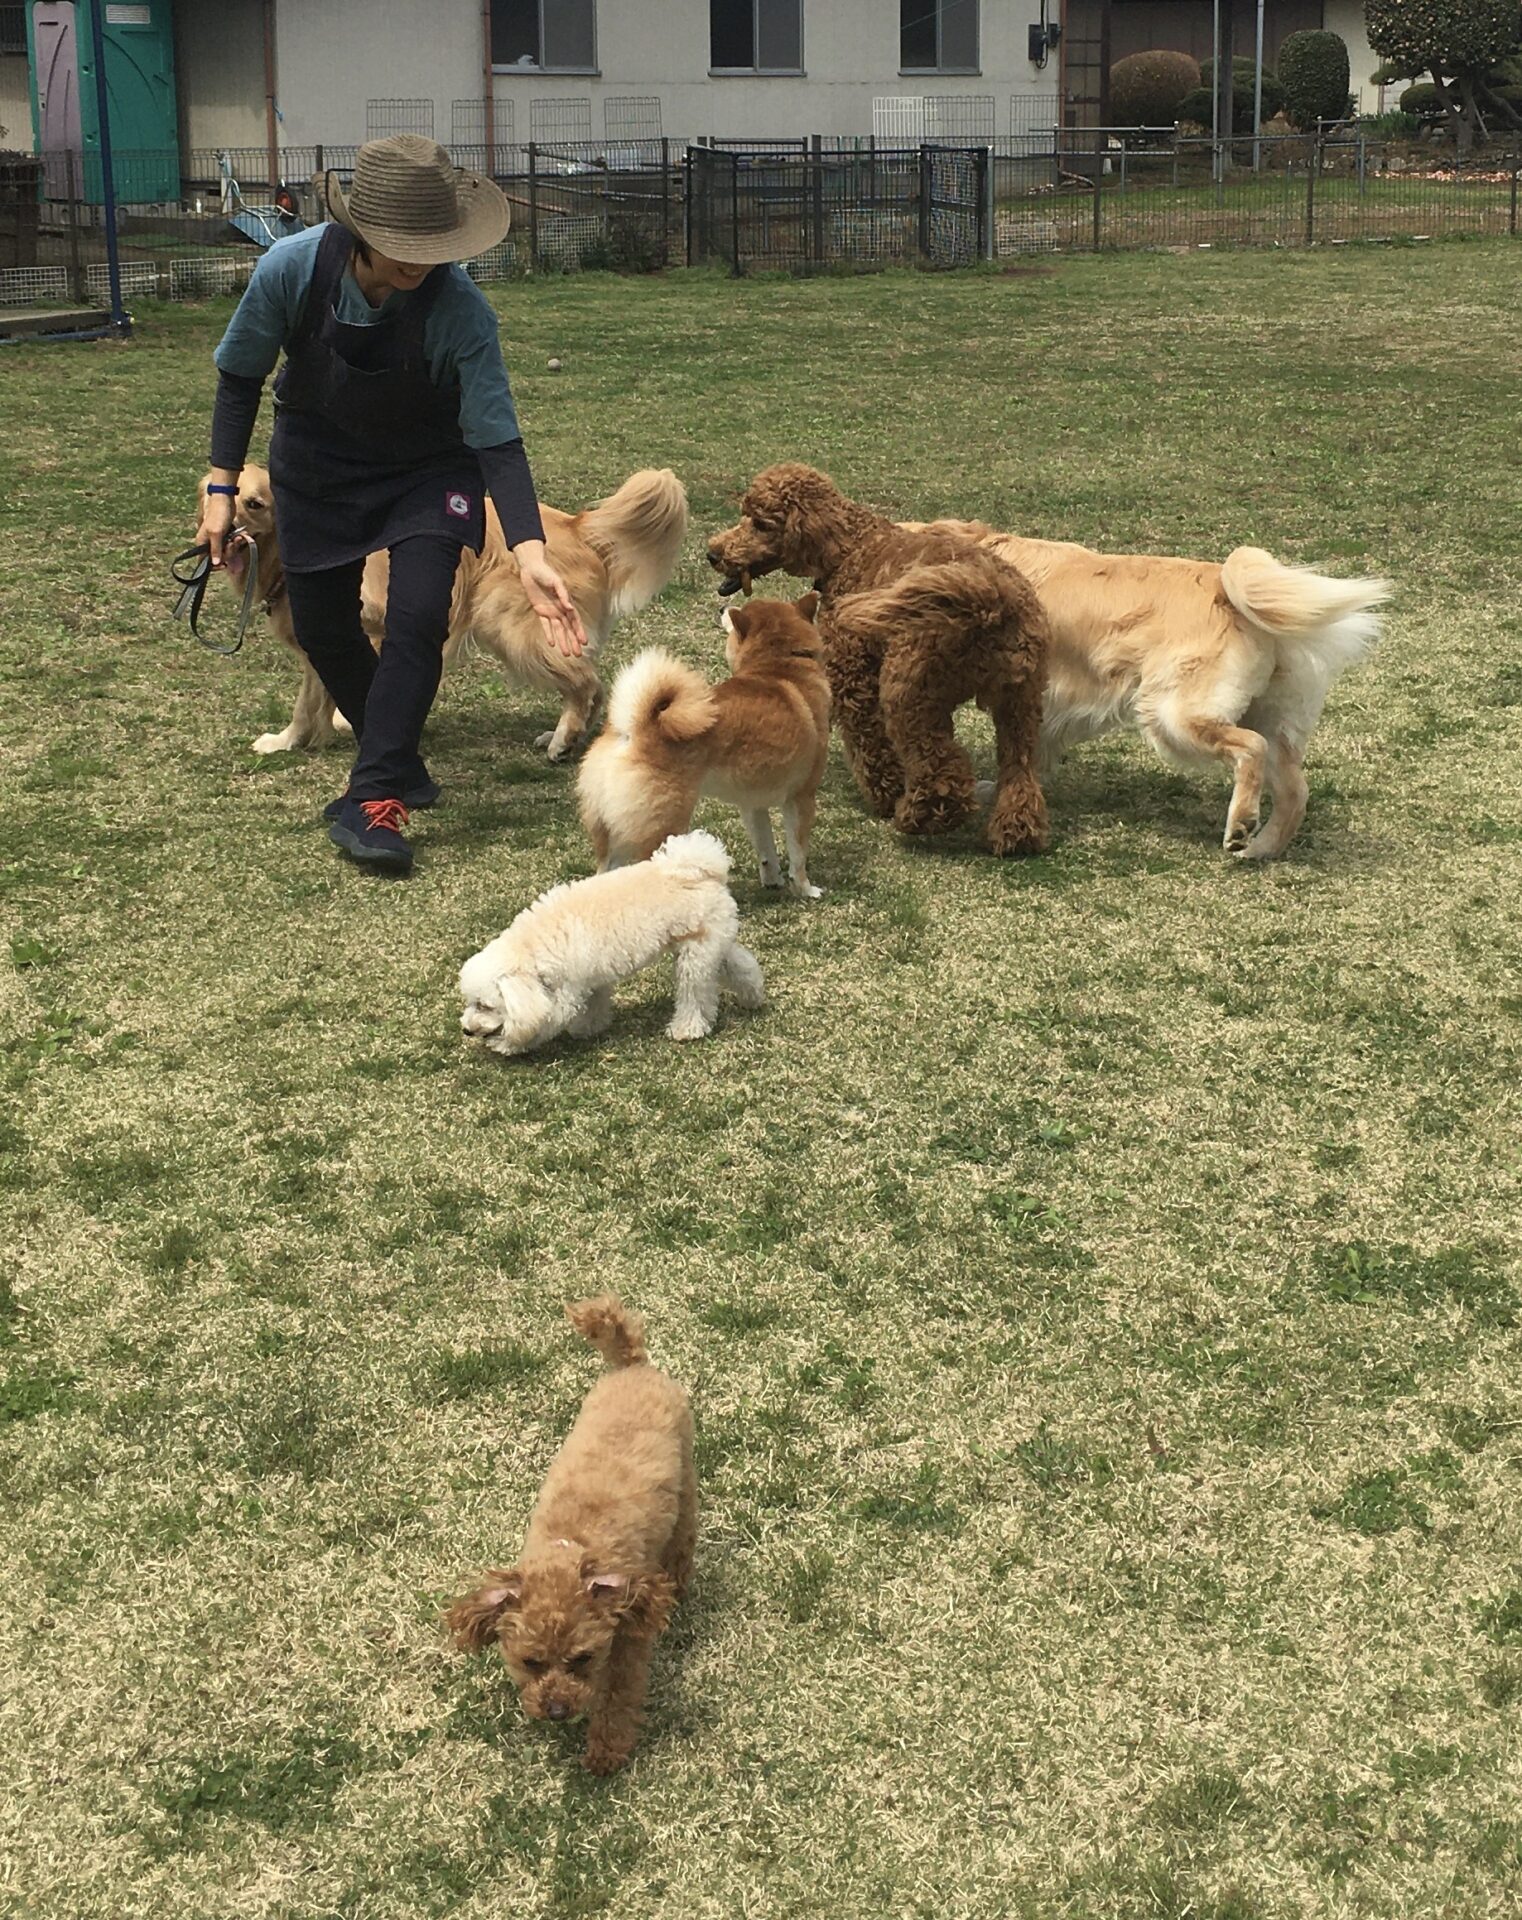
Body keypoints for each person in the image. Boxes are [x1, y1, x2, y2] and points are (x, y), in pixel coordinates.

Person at [197, 134, 587, 873]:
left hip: (427, 472)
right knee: (322, 628)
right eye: (403, 244)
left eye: (435, 245)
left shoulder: (461, 311)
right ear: (360, 231)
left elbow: (497, 438)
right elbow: (239, 375)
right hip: (317, 466)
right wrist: (221, 489)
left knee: (416, 616)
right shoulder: (290, 270)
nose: (419, 261)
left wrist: (531, 554)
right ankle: (398, 758)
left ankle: (376, 796)